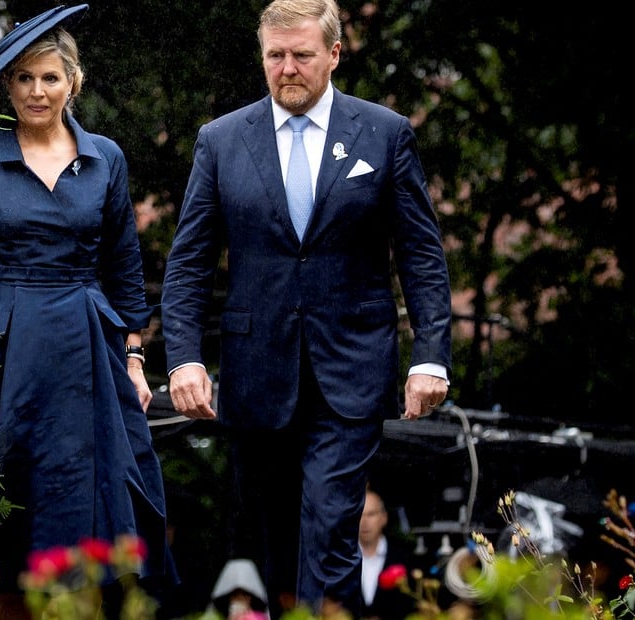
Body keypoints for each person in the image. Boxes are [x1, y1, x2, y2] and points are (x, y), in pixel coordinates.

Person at [159, 0, 452, 615]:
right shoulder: (221, 140)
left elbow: (420, 255)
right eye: (275, 56)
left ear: (334, 55)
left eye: (302, 55)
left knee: (330, 529)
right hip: (255, 373)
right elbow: (189, 260)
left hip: (350, 367)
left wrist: (431, 357)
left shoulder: (383, 132)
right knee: (277, 542)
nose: (287, 68)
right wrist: (183, 357)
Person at [0, 4, 177, 618]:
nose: (37, 90)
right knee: (7, 512)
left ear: (73, 83)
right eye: (25, 78)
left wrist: (135, 360)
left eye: (50, 78)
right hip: (2, 346)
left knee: (90, 508)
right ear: (8, 85)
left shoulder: (105, 156)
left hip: (87, 344)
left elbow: (124, 263)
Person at [359, 489, 417, 620]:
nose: (364, 521)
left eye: (371, 514)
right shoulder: (340, 560)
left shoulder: (404, 559)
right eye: (359, 514)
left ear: (383, 518)